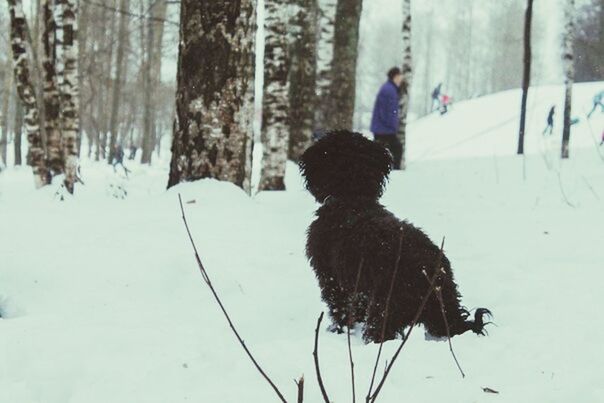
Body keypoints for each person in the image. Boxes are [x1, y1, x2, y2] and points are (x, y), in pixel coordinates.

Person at [370, 67, 403, 170]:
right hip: (384, 129)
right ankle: (396, 172)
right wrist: (392, 126)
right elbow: (388, 111)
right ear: (395, 76)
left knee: (379, 152)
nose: (400, 79)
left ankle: (378, 170)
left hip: (381, 127)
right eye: (399, 76)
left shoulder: (388, 88)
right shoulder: (389, 90)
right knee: (397, 149)